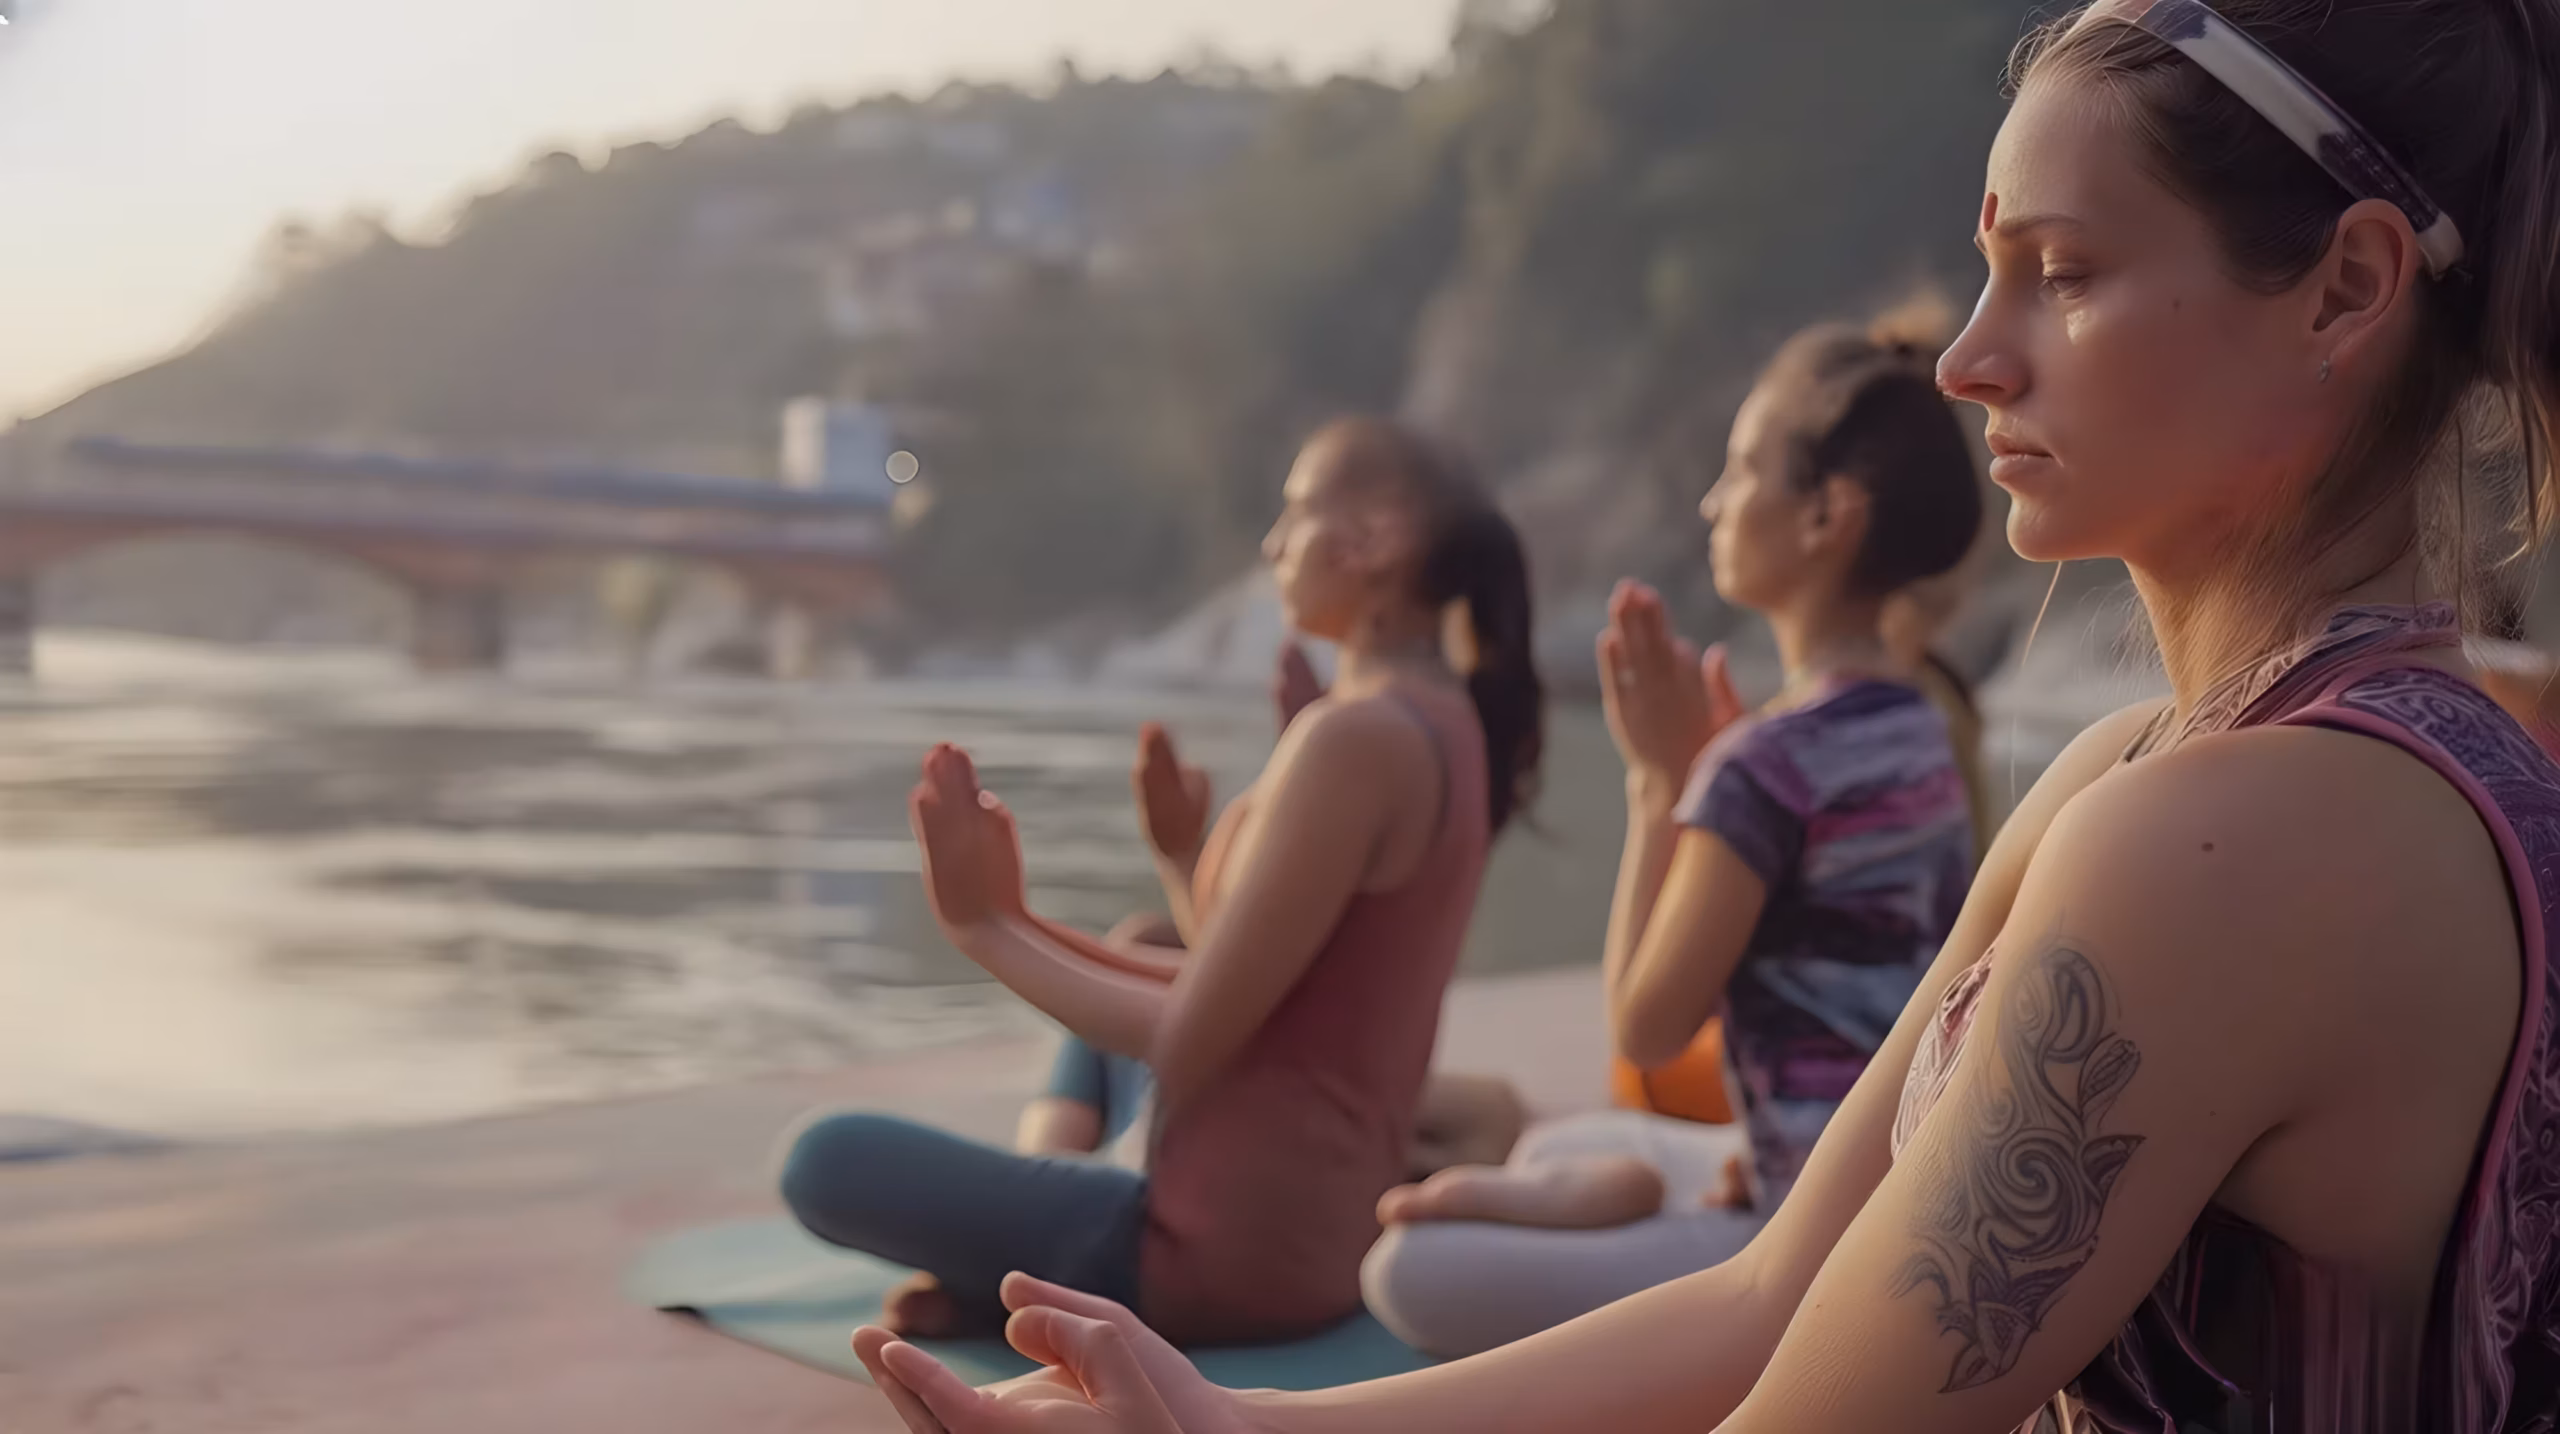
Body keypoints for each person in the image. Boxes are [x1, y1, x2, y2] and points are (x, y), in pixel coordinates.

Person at [850, 0, 2560, 1426]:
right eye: (1989, 271)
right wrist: (1232, 1419)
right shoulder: (2182, 768)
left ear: (2346, 286)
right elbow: (1770, 1295)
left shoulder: (2234, 839)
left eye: (2063, 271)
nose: (1970, 357)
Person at [780, 416, 1545, 1345]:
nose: (1273, 544)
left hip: (1224, 1256)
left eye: (1295, 511)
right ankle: (1039, 1217)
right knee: (1144, 941)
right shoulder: (1442, 720)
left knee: (823, 1161)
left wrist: (985, 929)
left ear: (1376, 538)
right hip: (1320, 1232)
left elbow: (1187, 1039)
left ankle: (1031, 1244)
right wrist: (1144, 873)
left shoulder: (1357, 739)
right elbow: (1273, 990)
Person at [1355, 311, 1983, 1357]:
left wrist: (1660, 784)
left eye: (1740, 473)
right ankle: (1635, 1186)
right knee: (1578, 1139)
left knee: (1407, 1273)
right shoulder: (1922, 727)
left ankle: (1649, 1204)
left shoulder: (1766, 762)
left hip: (1806, 1241)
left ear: (1829, 513)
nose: (1712, 500)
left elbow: (1644, 1026)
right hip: (1888, 1178)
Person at [1016, 642, 1526, 1176]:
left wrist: (990, 924)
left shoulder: (1378, 758)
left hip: (1268, 1106)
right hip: (1286, 1080)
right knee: (1146, 941)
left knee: (1488, 1113)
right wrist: (1182, 858)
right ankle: (1044, 1171)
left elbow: (1242, 1005)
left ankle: (1041, 1184)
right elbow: (1250, 964)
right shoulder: (1401, 754)